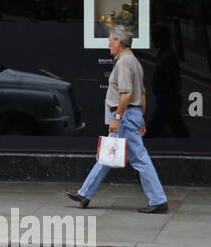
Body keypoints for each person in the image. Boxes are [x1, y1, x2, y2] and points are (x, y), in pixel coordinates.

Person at [66, 25, 169, 213]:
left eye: (111, 40)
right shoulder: (134, 62)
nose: (108, 44)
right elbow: (142, 94)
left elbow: (127, 94)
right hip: (132, 115)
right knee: (107, 155)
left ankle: (158, 200)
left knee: (139, 159)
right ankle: (84, 193)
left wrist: (118, 118)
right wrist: (141, 118)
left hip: (125, 116)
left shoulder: (124, 63)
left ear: (119, 42)